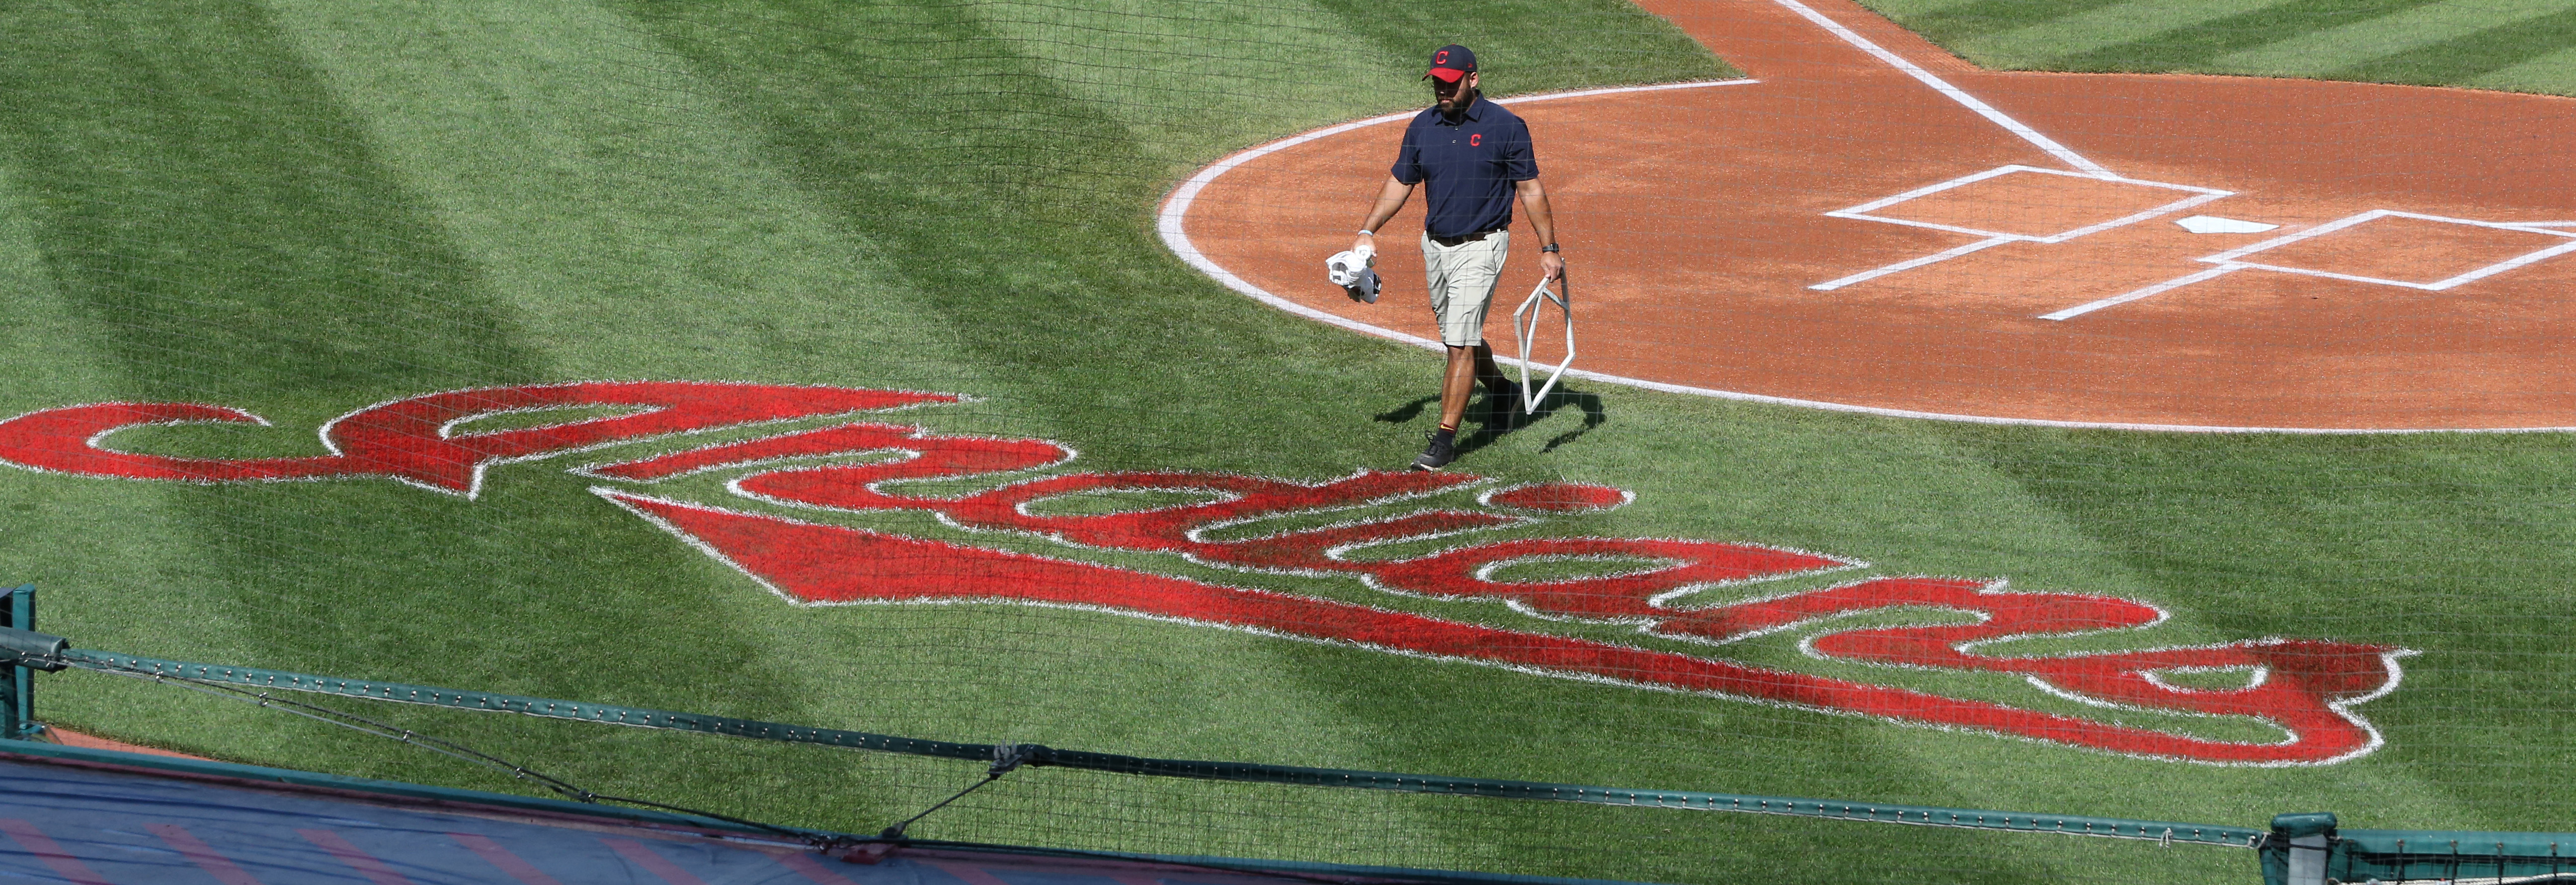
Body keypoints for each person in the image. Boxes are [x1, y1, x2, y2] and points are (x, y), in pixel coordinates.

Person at [1351, 44, 1565, 471]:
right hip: (1435, 247)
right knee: (1456, 332)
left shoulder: (1506, 127)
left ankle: (1445, 440)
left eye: (1450, 84)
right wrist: (1367, 230)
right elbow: (1400, 182)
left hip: (1482, 246)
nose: (1442, 92)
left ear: (1473, 79)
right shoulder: (1423, 126)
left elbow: (1530, 190)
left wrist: (1549, 248)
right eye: (1436, 84)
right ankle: (1503, 392)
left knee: (1459, 342)